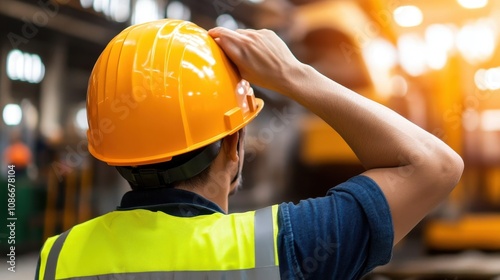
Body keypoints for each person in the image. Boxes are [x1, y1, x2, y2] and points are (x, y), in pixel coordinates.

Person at [36, 19, 463, 280]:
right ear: (234, 143)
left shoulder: (60, 257)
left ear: (113, 153)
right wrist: (294, 74)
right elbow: (436, 164)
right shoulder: (288, 246)